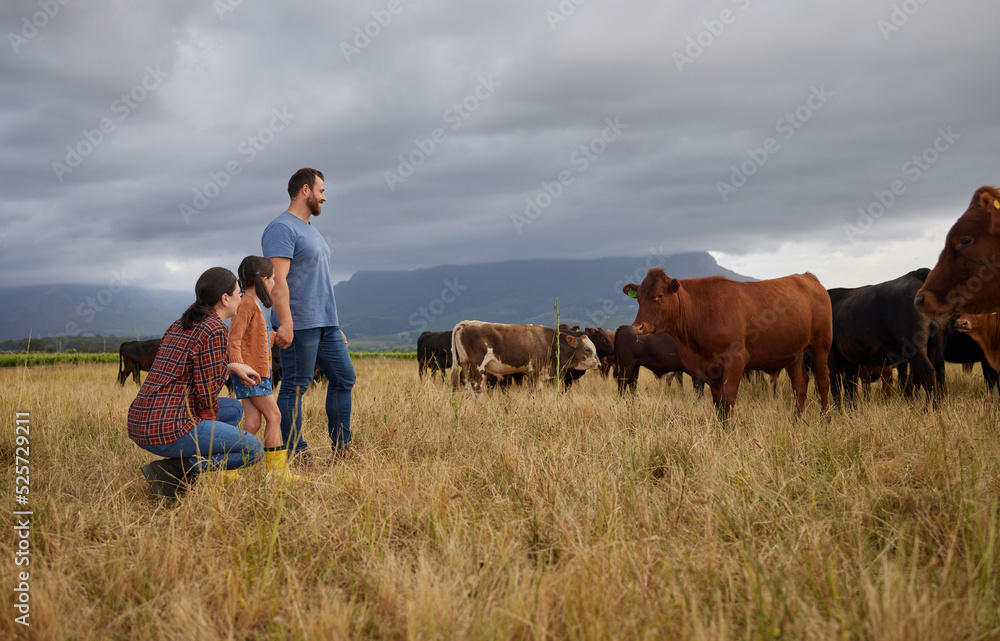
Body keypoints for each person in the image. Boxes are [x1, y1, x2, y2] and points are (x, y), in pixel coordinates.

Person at [128, 267, 265, 500]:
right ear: (225, 299)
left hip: (142, 421)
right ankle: (176, 471)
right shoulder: (214, 329)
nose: (241, 298)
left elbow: (191, 368)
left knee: (234, 409)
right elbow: (207, 392)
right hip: (169, 427)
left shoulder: (181, 323)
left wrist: (231, 367)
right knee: (253, 450)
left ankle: (180, 464)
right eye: (238, 293)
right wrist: (209, 428)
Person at [262, 168, 356, 462]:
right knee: (296, 386)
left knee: (344, 378)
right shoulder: (281, 228)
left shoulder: (310, 230)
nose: (324, 198)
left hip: (324, 323)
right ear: (305, 190)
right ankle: (295, 453)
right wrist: (285, 322)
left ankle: (342, 449)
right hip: (299, 323)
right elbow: (277, 281)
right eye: (321, 191)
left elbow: (318, 281)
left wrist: (333, 323)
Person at [228, 256, 304, 482]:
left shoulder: (251, 303)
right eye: (271, 278)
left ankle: (225, 468)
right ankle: (278, 473)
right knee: (275, 415)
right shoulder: (247, 304)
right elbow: (234, 339)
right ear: (262, 279)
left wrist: (273, 336)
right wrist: (240, 368)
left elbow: (253, 338)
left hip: (253, 372)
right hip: (252, 374)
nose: (273, 283)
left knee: (253, 423)